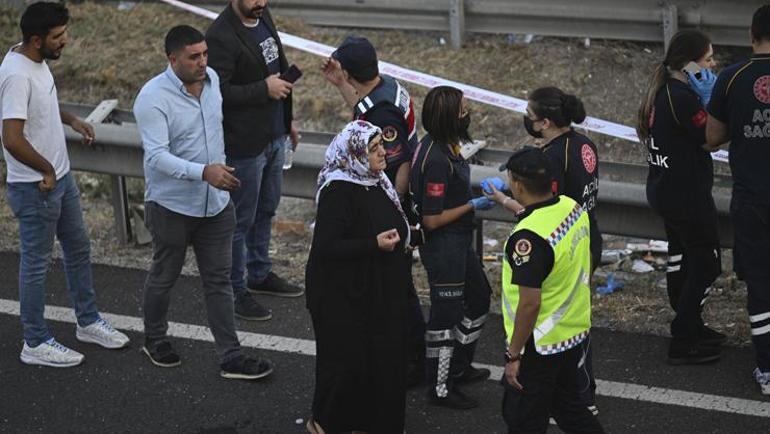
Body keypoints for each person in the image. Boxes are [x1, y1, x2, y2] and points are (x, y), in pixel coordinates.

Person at [133, 25, 273, 380]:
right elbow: (156, 157)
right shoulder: (152, 98)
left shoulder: (211, 81)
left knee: (220, 281)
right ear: (172, 58)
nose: (203, 62)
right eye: (194, 56)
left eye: (205, 54)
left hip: (215, 205)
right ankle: (155, 339)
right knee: (164, 276)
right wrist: (202, 172)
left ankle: (230, 356)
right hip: (171, 207)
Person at [0, 1, 129, 368]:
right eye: (58, 37)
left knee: (78, 249)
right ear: (37, 39)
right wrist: (46, 169)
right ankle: (35, 341)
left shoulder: (36, 62)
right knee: (36, 265)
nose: (65, 41)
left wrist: (71, 119)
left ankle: (87, 322)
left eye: (65, 33)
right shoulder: (16, 74)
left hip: (59, 176)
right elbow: (11, 137)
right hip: (36, 185)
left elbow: (38, 106)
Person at [485, 87, 602, 413]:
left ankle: (573, 397)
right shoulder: (584, 144)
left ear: (545, 122)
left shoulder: (552, 158)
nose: (527, 120)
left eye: (531, 117)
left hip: (560, 249)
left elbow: (545, 213)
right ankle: (581, 396)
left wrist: (506, 200)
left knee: (557, 317)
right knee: (577, 315)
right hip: (585, 237)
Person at [323, 35, 426, 387]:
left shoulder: (382, 112)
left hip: (397, 199)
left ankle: (414, 359)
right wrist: (341, 84)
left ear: (350, 69)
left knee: (399, 286)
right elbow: (362, 108)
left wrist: (390, 208)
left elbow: (399, 163)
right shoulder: (385, 88)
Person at [305, 120, 411, 433]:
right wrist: (373, 244)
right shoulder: (338, 190)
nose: (384, 153)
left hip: (376, 290)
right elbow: (327, 246)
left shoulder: (377, 180)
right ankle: (326, 423)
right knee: (346, 364)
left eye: (382, 146)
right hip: (341, 294)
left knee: (382, 361)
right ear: (355, 153)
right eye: (374, 148)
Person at [206, 0, 303, 323]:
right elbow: (218, 93)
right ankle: (236, 290)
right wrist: (263, 89)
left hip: (274, 134)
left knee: (267, 209)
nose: (260, 2)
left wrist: (288, 119)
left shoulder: (262, 15)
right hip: (244, 144)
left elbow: (278, 71)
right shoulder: (220, 35)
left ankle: (259, 272)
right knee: (240, 221)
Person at [635, 29, 725, 366]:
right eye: (707, 59)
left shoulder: (664, 92)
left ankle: (692, 325)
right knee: (707, 263)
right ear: (688, 65)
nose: (712, 64)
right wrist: (715, 104)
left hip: (665, 190)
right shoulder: (682, 98)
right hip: (685, 195)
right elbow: (710, 139)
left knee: (682, 258)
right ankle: (683, 334)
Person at [499, 147, 604, 434]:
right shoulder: (571, 207)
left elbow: (529, 304)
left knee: (523, 419)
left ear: (519, 184)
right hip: (571, 334)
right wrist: (504, 201)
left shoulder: (528, 239)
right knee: (571, 410)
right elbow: (540, 215)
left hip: (539, 345)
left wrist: (514, 355)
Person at [409, 86, 493, 409]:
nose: (468, 111)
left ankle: (458, 365)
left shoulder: (447, 146)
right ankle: (440, 386)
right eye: (463, 109)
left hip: (458, 241)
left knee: (479, 298)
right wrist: (472, 204)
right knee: (445, 316)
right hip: (443, 245)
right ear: (448, 117)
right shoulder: (436, 160)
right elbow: (431, 220)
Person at [706, 4, 770, 395]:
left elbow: (712, 138)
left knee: (761, 283)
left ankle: (766, 368)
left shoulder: (731, 77)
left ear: (751, 33)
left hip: (752, 199)